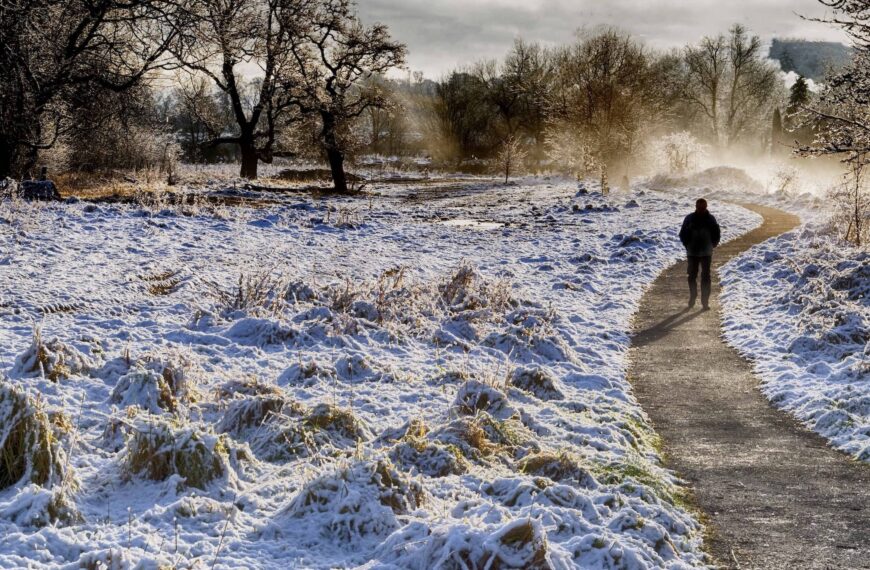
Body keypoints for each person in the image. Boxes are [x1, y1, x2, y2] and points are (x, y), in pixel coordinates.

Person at [679, 199, 721, 310]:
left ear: (706, 207)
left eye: (703, 208)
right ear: (695, 207)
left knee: (706, 277)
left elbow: (717, 233)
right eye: (699, 207)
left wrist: (713, 244)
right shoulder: (689, 219)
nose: (701, 210)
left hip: (706, 252)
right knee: (692, 276)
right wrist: (687, 245)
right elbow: (682, 233)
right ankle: (693, 296)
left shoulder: (711, 219)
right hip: (692, 252)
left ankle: (705, 302)